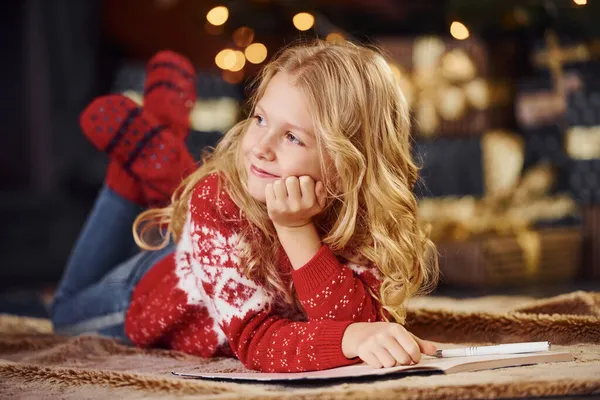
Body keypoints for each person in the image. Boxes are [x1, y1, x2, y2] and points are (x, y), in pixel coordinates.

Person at [51, 40, 440, 373]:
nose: (260, 147)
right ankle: (134, 174)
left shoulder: (362, 219)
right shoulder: (218, 201)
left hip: (206, 250)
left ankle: (165, 170)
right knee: (63, 314)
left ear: (346, 164)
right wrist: (291, 229)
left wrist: (298, 232)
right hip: (153, 293)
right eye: (259, 119)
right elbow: (256, 339)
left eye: (292, 137)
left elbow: (357, 328)